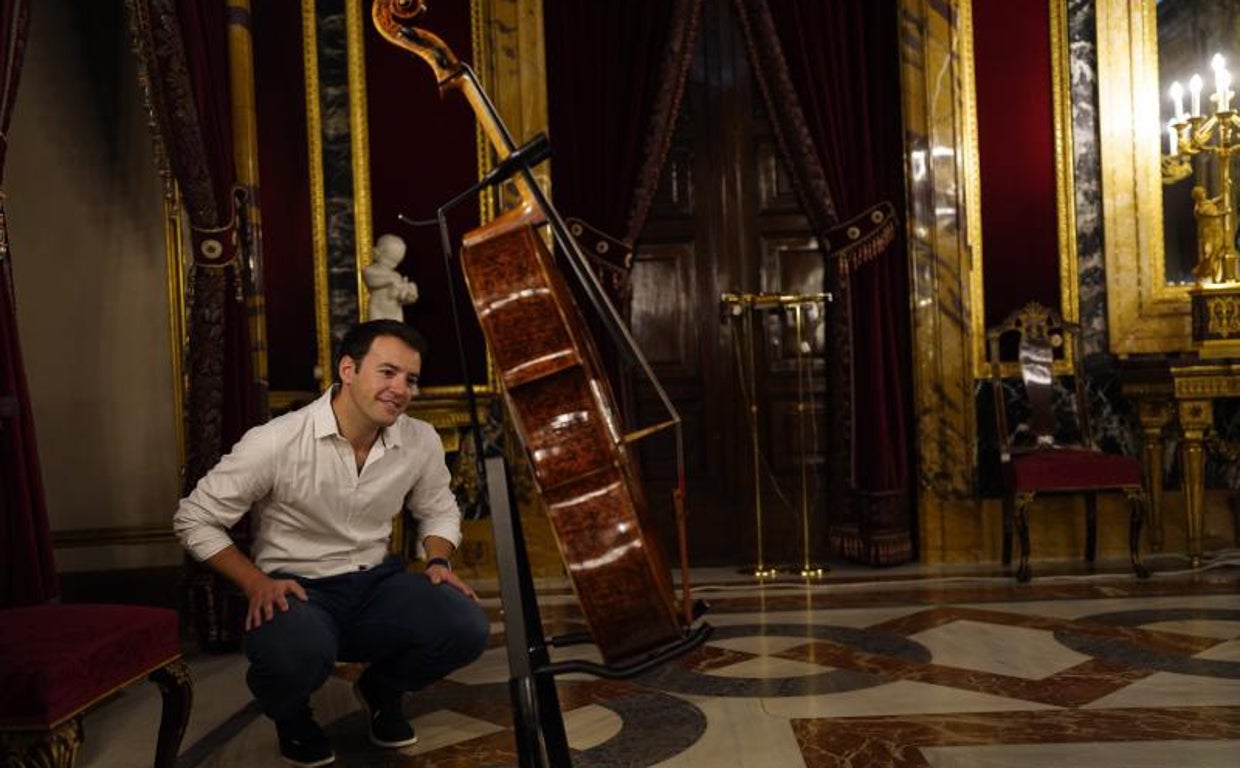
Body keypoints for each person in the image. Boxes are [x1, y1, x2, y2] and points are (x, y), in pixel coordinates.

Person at [174, 320, 489, 767]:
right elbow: (194, 518)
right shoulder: (277, 440)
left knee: (465, 627)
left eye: (411, 379)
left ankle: (383, 689)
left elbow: (437, 507)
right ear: (347, 369)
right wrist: (254, 582)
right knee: (295, 655)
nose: (400, 389)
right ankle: (292, 718)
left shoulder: (420, 440)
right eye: (387, 372)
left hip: (375, 584)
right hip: (297, 589)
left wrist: (438, 559)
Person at [363, 234, 419, 321]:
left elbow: (400, 297)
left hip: (395, 311)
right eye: (388, 260)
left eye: (395, 262)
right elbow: (372, 281)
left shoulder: (396, 275)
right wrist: (389, 280)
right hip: (378, 310)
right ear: (377, 253)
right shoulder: (371, 270)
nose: (391, 265)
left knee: (396, 331)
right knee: (377, 329)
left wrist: (408, 293)